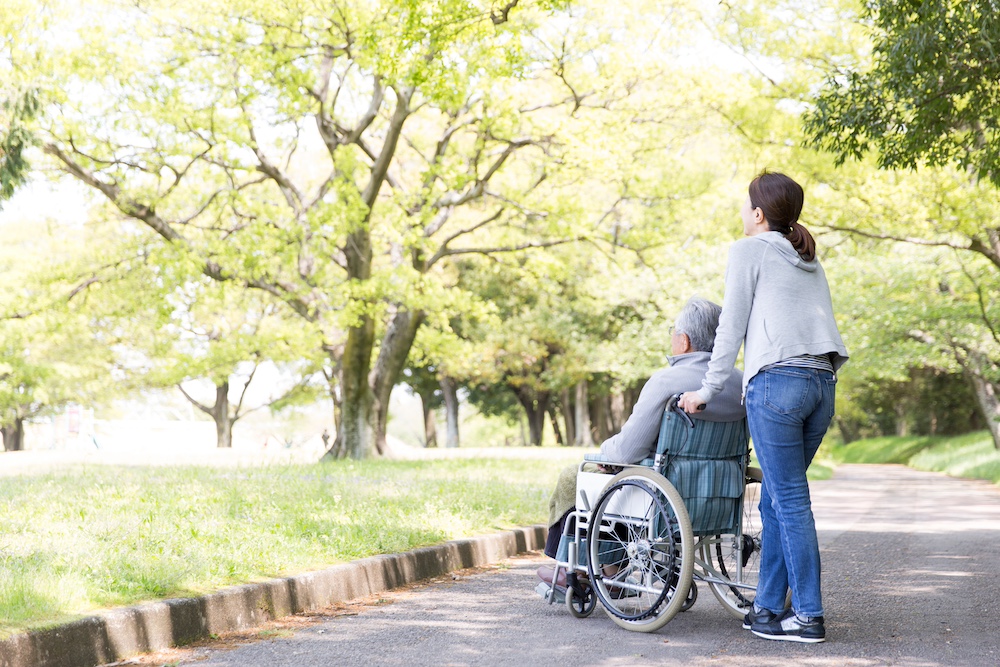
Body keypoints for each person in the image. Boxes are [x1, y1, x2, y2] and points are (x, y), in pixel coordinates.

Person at [678, 171, 848, 643]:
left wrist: (707, 391)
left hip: (778, 384)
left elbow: (729, 327)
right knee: (776, 498)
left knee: (789, 500)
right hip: (821, 384)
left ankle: (809, 616)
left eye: (745, 205)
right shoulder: (806, 258)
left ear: (758, 213)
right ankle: (769, 609)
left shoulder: (749, 249)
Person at [537, 297, 744, 593]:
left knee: (578, 476)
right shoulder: (740, 384)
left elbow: (626, 452)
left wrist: (604, 451)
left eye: (673, 332)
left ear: (683, 341)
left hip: (662, 492)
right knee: (626, 479)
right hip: (718, 493)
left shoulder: (666, 381)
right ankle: (612, 570)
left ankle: (583, 571)